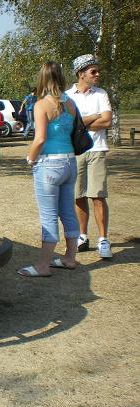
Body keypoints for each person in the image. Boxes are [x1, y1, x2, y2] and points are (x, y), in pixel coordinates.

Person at [18, 61, 80, 277]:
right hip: (70, 162)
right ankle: (70, 257)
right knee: (68, 212)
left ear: (42, 79)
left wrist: (30, 159)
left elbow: (40, 139)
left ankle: (43, 265)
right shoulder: (71, 103)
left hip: (49, 164)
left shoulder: (41, 104)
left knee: (48, 215)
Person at [66, 54, 113, 259]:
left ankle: (103, 240)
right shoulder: (67, 96)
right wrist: (95, 116)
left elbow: (107, 122)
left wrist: (82, 121)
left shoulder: (101, 94)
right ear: (81, 74)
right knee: (78, 195)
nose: (97, 74)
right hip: (76, 151)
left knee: (98, 195)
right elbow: (69, 124)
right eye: (93, 71)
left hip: (97, 149)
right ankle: (82, 236)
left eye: (97, 70)